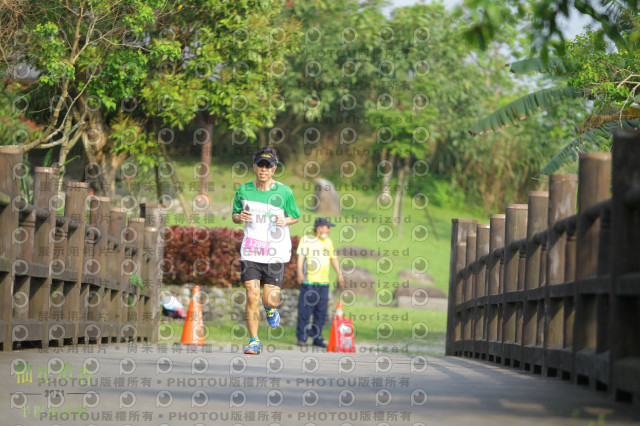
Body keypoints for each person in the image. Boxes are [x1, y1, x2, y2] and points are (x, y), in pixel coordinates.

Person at [232, 146, 300, 355]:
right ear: (254, 167)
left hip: (275, 252)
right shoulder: (243, 190)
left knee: (269, 299)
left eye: (268, 166)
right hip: (251, 251)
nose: (263, 169)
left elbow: (295, 216)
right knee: (252, 295)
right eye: (260, 165)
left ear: (273, 169)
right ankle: (254, 341)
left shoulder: (284, 192)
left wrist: (285, 220)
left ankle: (271, 308)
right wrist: (239, 217)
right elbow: (235, 214)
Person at [295, 217, 345, 348]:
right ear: (319, 228)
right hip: (309, 282)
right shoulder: (306, 240)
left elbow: (333, 259)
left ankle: (317, 338)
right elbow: (300, 257)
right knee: (305, 311)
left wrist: (340, 274)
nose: (328, 230)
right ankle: (302, 337)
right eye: (327, 227)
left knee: (321, 312)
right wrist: (299, 272)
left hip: (323, 283)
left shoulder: (328, 242)